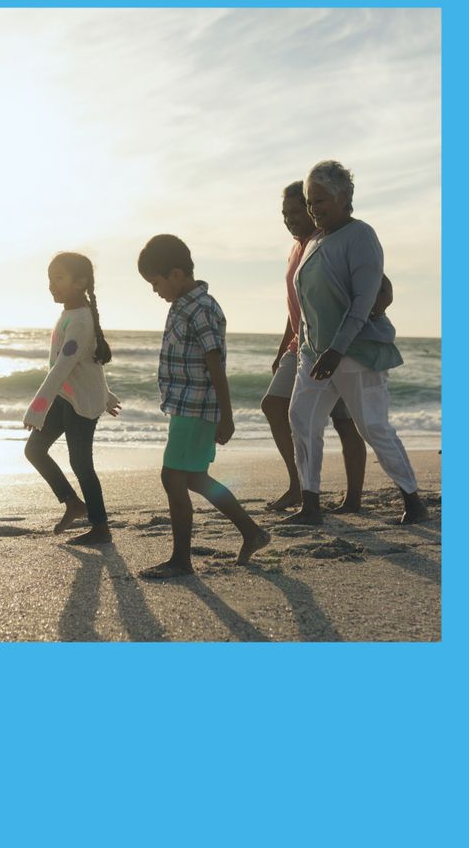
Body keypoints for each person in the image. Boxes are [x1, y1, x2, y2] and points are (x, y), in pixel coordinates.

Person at [283, 161, 427, 527]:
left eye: (321, 200)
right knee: (302, 419)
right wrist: (307, 348)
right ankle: (311, 503)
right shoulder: (316, 240)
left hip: (355, 353)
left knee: (373, 427)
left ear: (345, 197)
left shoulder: (361, 236)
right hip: (315, 355)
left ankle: (413, 500)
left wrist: (336, 350)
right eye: (310, 201)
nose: (314, 208)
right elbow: (308, 303)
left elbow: (365, 300)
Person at [136, 234, 270, 578]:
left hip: (197, 408)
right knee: (194, 478)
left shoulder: (202, 307)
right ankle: (252, 532)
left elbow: (215, 364)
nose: (154, 290)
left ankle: (182, 560)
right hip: (186, 407)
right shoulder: (183, 305)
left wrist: (227, 416)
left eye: (156, 282)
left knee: (172, 477)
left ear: (177, 274)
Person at [263, 180, 394, 514]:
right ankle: (300, 485)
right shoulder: (299, 248)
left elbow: (381, 287)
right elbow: (299, 307)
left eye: (296, 210)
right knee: (275, 405)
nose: (290, 218)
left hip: (338, 348)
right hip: (303, 345)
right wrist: (283, 350)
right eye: (285, 213)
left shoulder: (336, 242)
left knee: (345, 423)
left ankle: (351, 498)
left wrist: (362, 321)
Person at [22, 252, 121, 545]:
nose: (52, 285)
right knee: (35, 450)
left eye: (59, 278)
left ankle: (101, 527)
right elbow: (89, 366)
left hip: (81, 405)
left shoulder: (79, 320)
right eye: (50, 279)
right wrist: (107, 394)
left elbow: (62, 368)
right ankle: (73, 503)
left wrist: (37, 409)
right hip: (69, 398)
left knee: (81, 464)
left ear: (81, 283)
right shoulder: (70, 314)